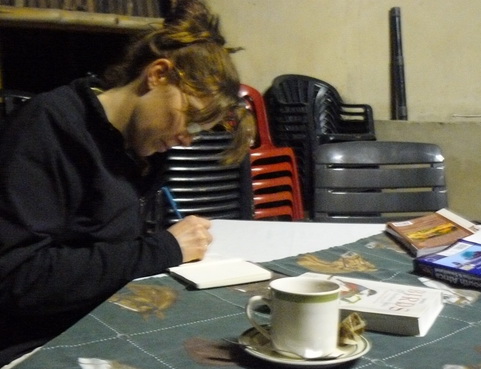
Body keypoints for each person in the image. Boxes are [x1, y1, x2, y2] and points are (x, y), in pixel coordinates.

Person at [0, 0, 255, 365]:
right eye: (192, 120)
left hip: (105, 319)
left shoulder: (140, 151)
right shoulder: (49, 127)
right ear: (158, 74)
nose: (188, 138)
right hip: (38, 342)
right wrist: (164, 249)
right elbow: (18, 277)